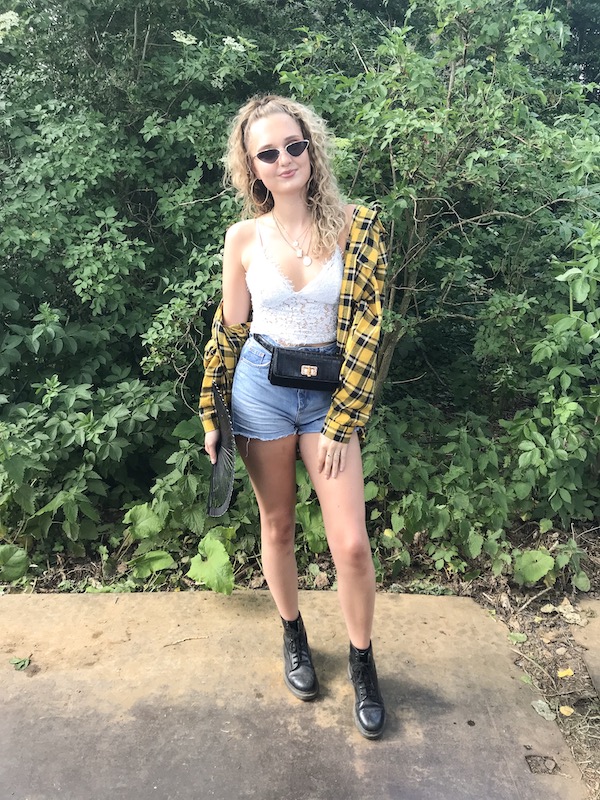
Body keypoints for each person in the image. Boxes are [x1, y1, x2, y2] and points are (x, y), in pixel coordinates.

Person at [199, 94, 387, 739]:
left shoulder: (358, 226)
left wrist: (342, 420)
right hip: (260, 390)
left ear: (312, 148)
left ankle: (362, 660)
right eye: (268, 153)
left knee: (351, 544)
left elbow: (369, 330)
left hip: (331, 396)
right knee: (277, 525)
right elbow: (229, 331)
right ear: (251, 166)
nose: (284, 160)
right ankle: (294, 634)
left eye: (294, 146)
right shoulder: (243, 238)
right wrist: (212, 413)